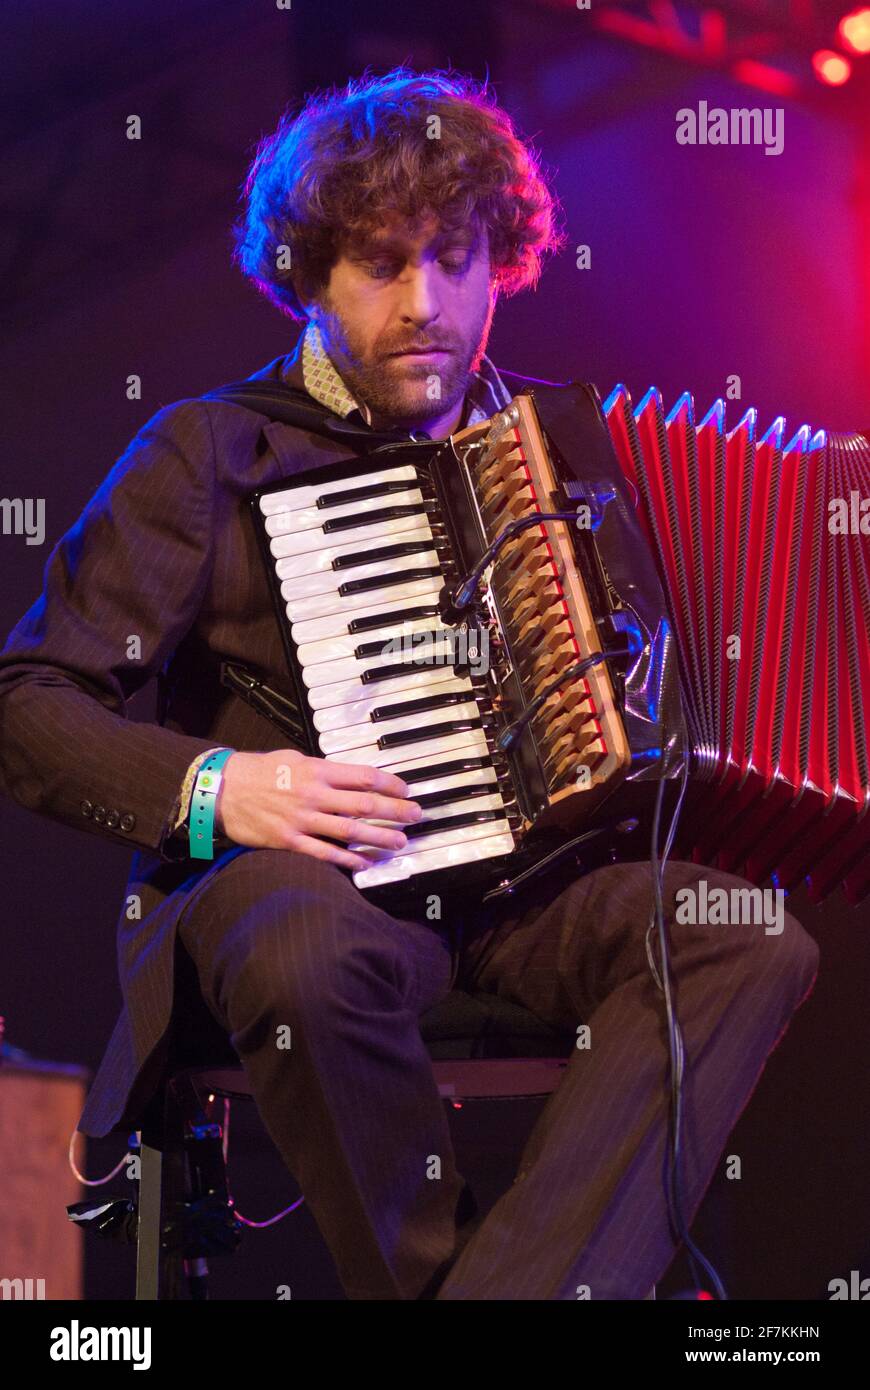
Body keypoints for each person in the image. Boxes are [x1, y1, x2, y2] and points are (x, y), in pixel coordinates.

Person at [0, 68, 819, 1300]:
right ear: (310, 276)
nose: (425, 303)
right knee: (301, 943)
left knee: (747, 943)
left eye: (456, 259)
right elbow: (29, 700)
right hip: (292, 888)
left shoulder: (564, 451)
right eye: (382, 264)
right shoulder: (210, 448)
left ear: (506, 263)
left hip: (519, 895)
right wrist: (223, 784)